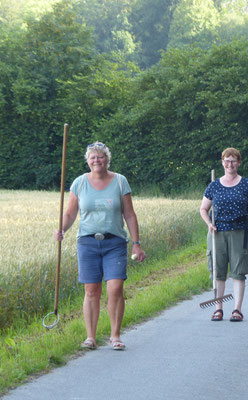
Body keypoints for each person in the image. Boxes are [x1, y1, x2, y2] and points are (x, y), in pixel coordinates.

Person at [54, 142, 145, 350]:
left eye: (101, 157)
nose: (97, 160)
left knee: (115, 287)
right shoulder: (79, 183)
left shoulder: (120, 181)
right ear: (88, 160)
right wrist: (61, 229)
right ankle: (91, 337)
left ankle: (115, 336)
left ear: (107, 159)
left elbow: (129, 214)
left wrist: (136, 243)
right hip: (87, 242)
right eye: (93, 157)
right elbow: (70, 214)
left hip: (114, 242)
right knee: (91, 290)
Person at [200, 148, 248, 322]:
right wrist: (209, 223)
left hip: (239, 233)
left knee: (238, 272)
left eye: (233, 161)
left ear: (239, 163)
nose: (230, 164)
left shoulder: (247, 185)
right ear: (222, 162)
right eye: (226, 161)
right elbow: (203, 209)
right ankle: (218, 308)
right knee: (218, 272)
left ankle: (237, 309)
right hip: (217, 233)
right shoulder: (214, 186)